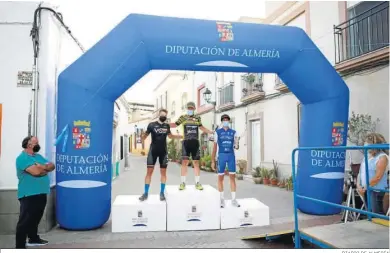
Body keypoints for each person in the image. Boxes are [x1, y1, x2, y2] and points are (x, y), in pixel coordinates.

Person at [15, 136, 55, 248]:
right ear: (29, 144)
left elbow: (52, 166)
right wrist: (44, 169)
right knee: (25, 221)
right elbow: (36, 172)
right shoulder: (22, 158)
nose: (38, 144)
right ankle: (20, 246)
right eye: (36, 142)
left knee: (36, 217)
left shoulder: (38, 156)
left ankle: (33, 239)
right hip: (28, 194)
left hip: (41, 192)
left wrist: (42, 167)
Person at [139, 109, 183, 201]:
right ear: (159, 115)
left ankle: (162, 193)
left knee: (163, 173)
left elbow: (170, 136)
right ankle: (146, 193)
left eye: (165, 115)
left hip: (163, 152)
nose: (164, 116)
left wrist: (179, 136)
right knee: (149, 173)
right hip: (153, 152)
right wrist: (142, 136)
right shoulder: (151, 125)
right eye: (162, 114)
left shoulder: (167, 126)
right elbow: (144, 137)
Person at [171, 101, 213, 191]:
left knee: (196, 163)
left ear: (194, 109)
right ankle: (182, 183)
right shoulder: (183, 117)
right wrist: (165, 124)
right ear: (187, 109)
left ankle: (197, 183)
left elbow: (201, 127)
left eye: (191, 108)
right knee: (184, 162)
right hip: (186, 142)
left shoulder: (197, 117)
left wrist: (210, 132)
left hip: (195, 143)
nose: (190, 109)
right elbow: (175, 124)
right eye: (189, 108)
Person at [211, 114, 240, 208]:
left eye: (227, 120)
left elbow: (236, 145)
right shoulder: (217, 132)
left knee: (232, 177)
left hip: (231, 155)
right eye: (224, 120)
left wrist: (237, 144)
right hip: (222, 156)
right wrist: (212, 160)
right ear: (222, 122)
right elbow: (214, 147)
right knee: (220, 178)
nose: (225, 121)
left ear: (229, 121)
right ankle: (222, 200)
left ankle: (234, 200)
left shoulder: (234, 132)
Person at [357, 133, 389, 215]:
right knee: (369, 213)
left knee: (376, 213)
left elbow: (378, 177)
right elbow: (360, 172)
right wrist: (358, 185)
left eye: (367, 142)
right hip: (366, 189)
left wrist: (365, 187)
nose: (365, 144)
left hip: (376, 190)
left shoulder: (382, 157)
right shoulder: (367, 156)